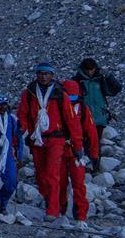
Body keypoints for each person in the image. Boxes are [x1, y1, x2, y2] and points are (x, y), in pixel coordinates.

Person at [17, 62, 85, 220]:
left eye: (46, 74)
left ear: (52, 75)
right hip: (37, 139)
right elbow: (23, 114)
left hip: (56, 138)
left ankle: (52, 211)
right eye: (40, 73)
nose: (43, 76)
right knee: (41, 176)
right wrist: (21, 130)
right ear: (36, 75)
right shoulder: (29, 93)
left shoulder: (60, 94)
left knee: (52, 174)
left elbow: (72, 121)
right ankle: (50, 200)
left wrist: (77, 145)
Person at [58, 79, 100, 225]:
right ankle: (60, 211)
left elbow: (92, 132)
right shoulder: (55, 107)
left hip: (77, 153)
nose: (71, 102)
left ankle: (81, 216)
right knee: (60, 183)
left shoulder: (82, 109)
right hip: (60, 151)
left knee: (79, 185)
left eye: (74, 99)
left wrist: (94, 154)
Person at [73, 58, 121, 166]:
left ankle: (94, 166)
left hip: (99, 117)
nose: (90, 71)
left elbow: (117, 88)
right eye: (88, 69)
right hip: (84, 118)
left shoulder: (100, 79)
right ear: (83, 69)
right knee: (85, 142)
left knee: (95, 143)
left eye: (92, 69)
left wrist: (108, 75)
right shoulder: (77, 81)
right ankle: (87, 165)